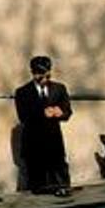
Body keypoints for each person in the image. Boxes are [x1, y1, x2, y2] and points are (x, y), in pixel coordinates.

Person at [14, 55, 73, 192]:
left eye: (45, 74)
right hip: (34, 145)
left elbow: (68, 112)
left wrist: (61, 113)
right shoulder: (23, 92)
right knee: (37, 186)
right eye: (38, 74)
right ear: (33, 73)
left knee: (60, 183)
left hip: (54, 144)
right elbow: (23, 116)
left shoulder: (59, 89)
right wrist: (42, 113)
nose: (42, 78)